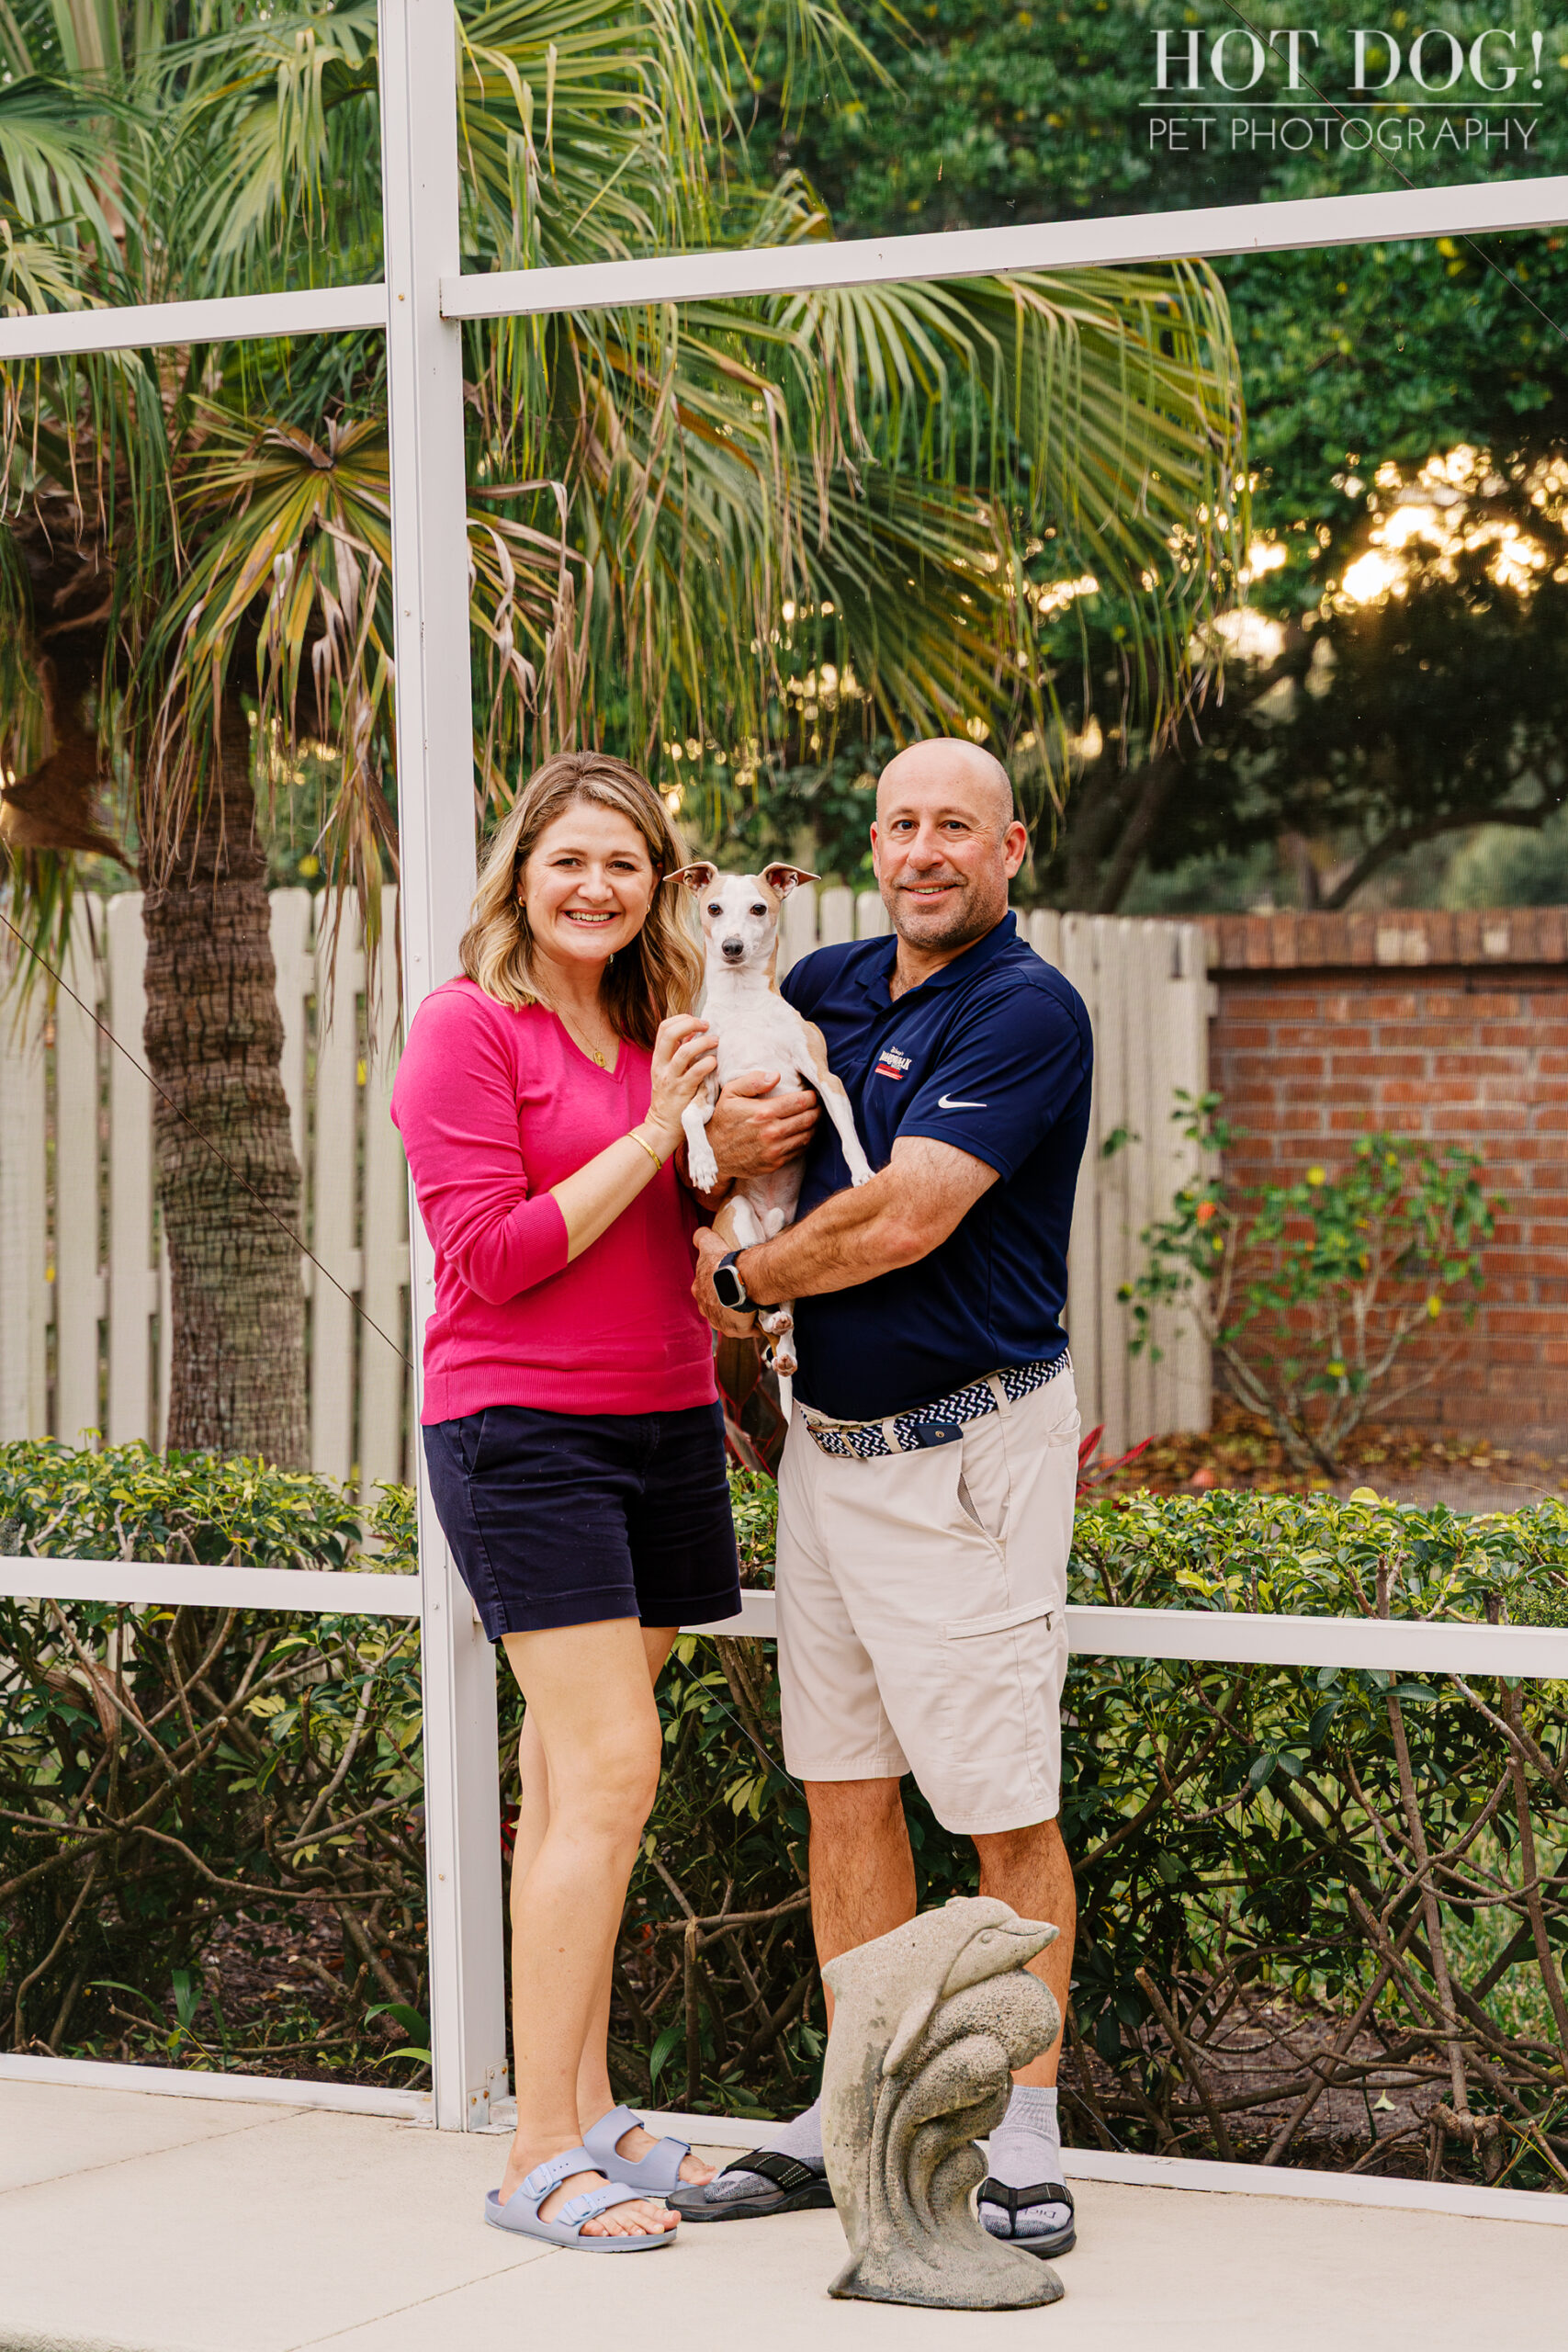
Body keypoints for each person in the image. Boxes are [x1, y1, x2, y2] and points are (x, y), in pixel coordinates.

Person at [679, 737, 1092, 2257]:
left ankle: (1024, 2135)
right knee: (843, 1788)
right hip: (827, 1456)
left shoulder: (1027, 1007)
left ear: (1010, 848)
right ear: (872, 842)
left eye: (956, 828)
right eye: (902, 825)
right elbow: (708, 1106)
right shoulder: (830, 984)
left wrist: (738, 1277)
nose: (925, 850)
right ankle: (849, 2098)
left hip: (967, 1455)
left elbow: (910, 1214)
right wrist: (706, 1163)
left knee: (1001, 1806)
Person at [391, 752, 742, 2253]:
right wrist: (659, 1137)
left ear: (659, 884)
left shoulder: (669, 1032)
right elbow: (497, 1257)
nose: (596, 886)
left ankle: (592, 2110)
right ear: (520, 875)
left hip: (670, 1425)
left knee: (572, 1800)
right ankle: (536, 2151)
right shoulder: (468, 1029)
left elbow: (695, 1236)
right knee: (612, 1776)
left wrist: (731, 1213)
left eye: (626, 864)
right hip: (522, 1433)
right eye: (569, 860)